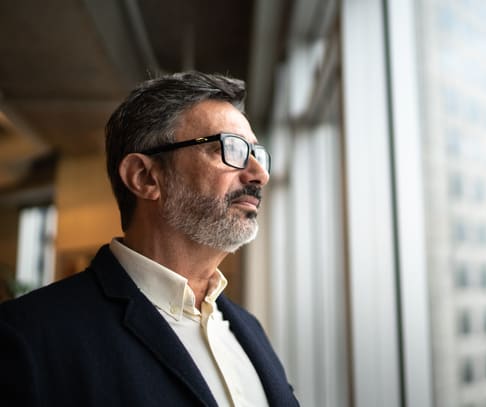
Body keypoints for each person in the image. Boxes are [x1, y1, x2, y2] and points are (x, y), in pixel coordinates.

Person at [0, 72, 299, 406]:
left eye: (257, 153)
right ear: (145, 177)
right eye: (231, 149)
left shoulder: (249, 329)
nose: (261, 173)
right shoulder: (25, 337)